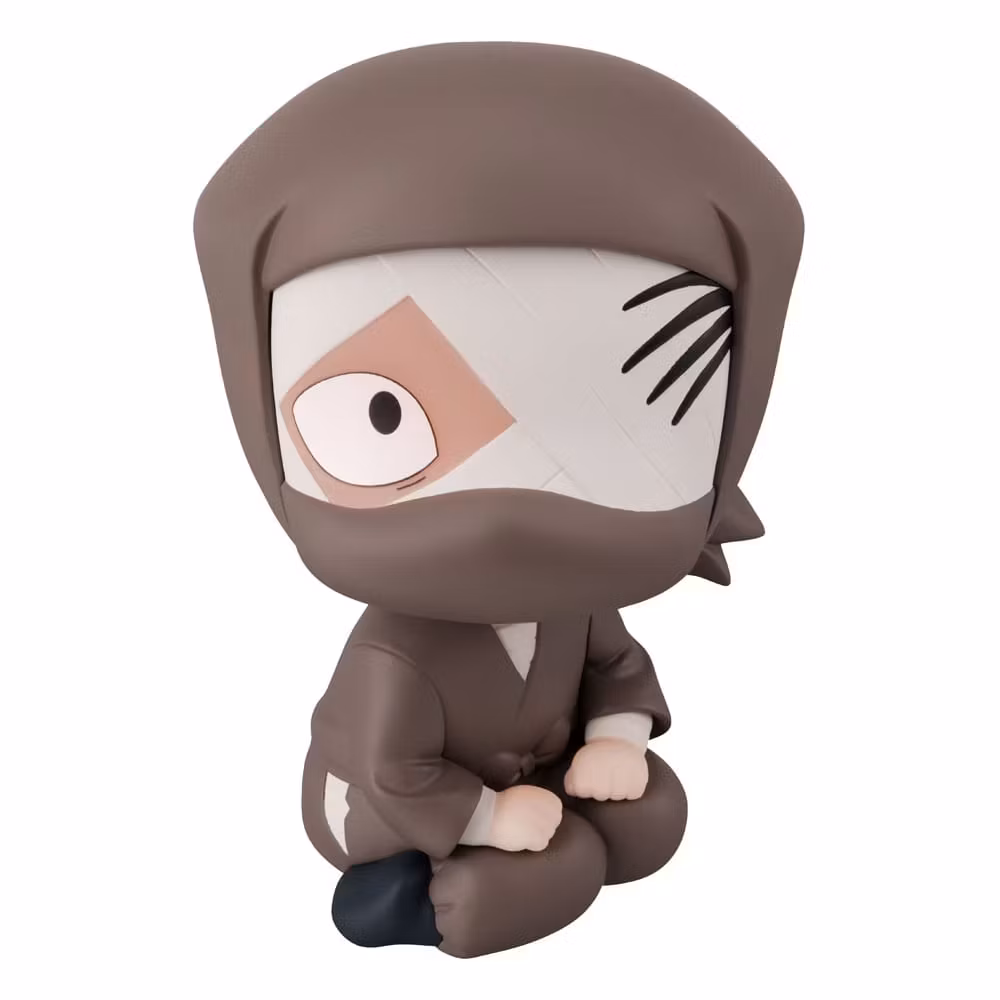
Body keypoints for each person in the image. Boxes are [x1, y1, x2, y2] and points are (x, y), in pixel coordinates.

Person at [194, 41, 803, 958]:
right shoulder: (397, 658)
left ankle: (531, 850)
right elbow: (392, 769)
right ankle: (404, 900)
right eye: (383, 413)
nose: (508, 510)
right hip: (393, 810)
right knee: (550, 869)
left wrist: (619, 740)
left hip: (533, 775)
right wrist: (485, 818)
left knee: (651, 816)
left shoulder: (575, 605)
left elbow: (617, 670)